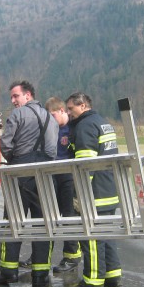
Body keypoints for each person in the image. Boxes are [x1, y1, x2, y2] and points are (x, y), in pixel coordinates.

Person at [0, 80, 59, 287]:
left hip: (20, 171)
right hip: (44, 172)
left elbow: (5, 144)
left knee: (13, 222)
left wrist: (14, 158)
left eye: (16, 96)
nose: (13, 101)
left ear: (28, 95)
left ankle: (8, 272)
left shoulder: (18, 115)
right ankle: (40, 275)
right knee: (43, 223)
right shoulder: (50, 117)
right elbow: (52, 150)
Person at [65, 92, 122, 287]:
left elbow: (85, 165)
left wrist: (81, 194)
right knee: (106, 234)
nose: (69, 113)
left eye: (71, 108)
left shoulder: (85, 126)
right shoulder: (102, 122)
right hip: (108, 188)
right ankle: (112, 275)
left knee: (91, 237)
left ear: (82, 105)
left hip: (94, 192)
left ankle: (93, 281)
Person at [45, 96, 82, 273]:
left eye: (53, 115)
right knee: (52, 215)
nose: (51, 119)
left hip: (69, 175)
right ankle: (43, 256)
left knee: (69, 215)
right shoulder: (51, 129)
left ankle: (71, 256)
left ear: (62, 111)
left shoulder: (73, 128)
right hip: (54, 174)